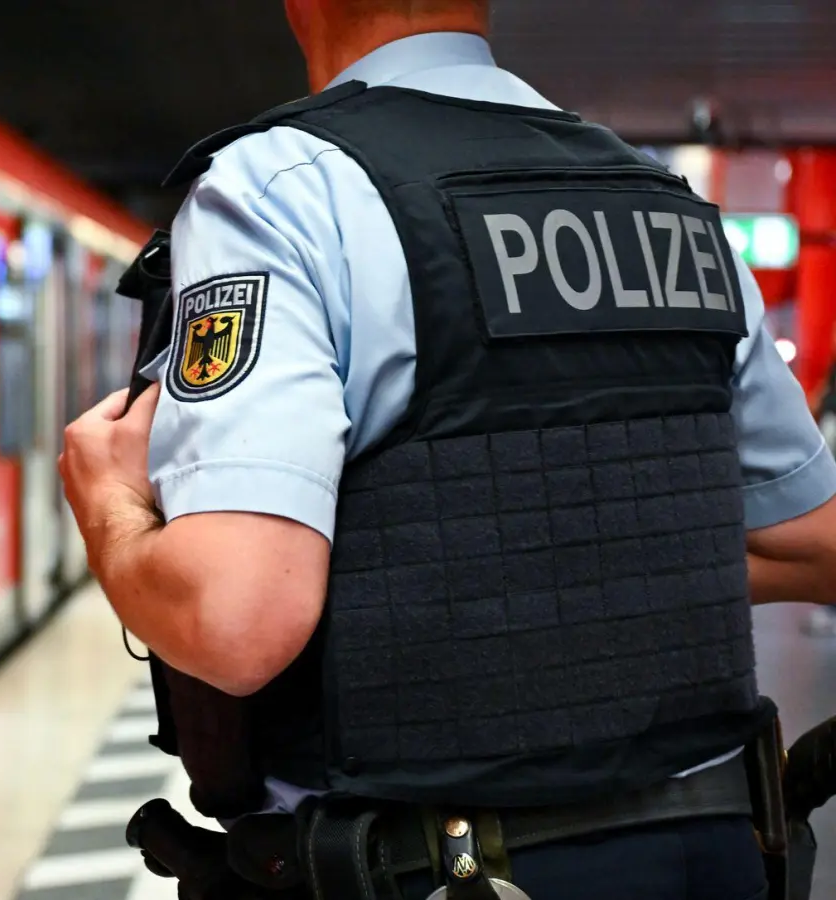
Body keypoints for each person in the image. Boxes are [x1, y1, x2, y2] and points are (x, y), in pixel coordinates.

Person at [58, 1, 836, 898]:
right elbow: (812, 544)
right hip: (716, 857)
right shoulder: (671, 209)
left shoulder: (281, 190)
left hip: (439, 870)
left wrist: (108, 502)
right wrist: (573, 570)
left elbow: (238, 621)